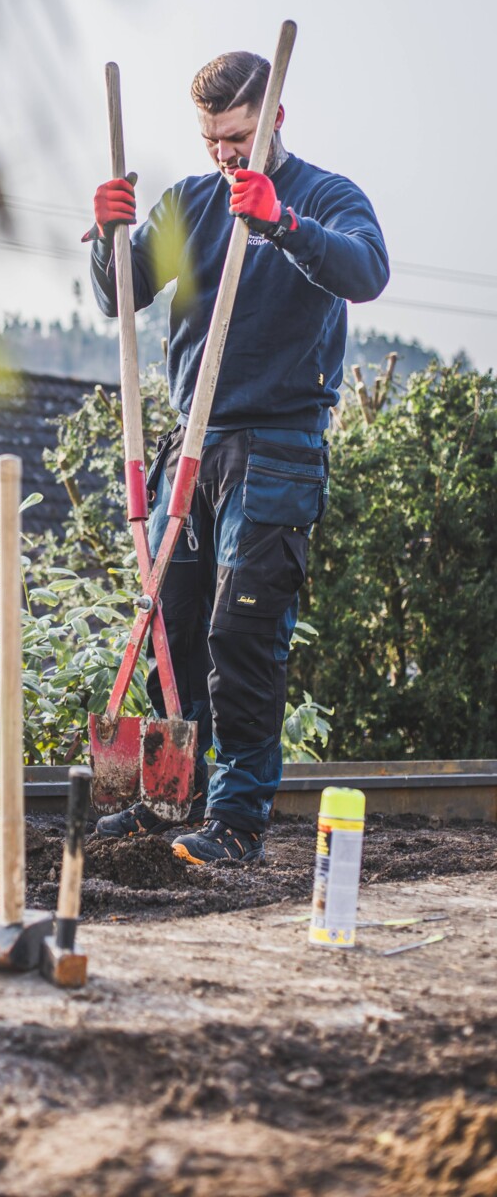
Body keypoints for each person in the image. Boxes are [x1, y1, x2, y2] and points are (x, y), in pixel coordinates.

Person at [87, 49, 389, 863]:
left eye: (240, 136)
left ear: (276, 119)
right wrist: (109, 236)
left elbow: (368, 271)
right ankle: (164, 797)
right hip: (193, 441)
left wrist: (282, 225)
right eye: (214, 138)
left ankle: (238, 820)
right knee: (174, 629)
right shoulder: (189, 204)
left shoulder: (324, 196)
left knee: (241, 633)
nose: (225, 154)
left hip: (279, 447)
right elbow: (120, 292)